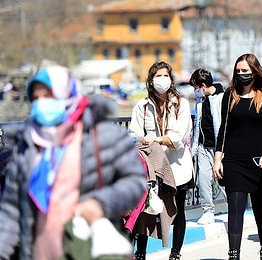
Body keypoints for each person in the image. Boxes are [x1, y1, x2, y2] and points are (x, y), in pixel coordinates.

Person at [0, 65, 146, 259]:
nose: (42, 103)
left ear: (68, 94)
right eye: (36, 97)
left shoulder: (101, 136)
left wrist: (99, 204)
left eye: (49, 95)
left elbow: (135, 182)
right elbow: (11, 207)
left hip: (86, 244)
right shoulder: (27, 142)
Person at [212, 53, 262, 260]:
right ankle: (233, 254)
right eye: (238, 71)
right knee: (235, 208)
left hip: (261, 161)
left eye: (245, 71)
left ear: (255, 71)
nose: (241, 74)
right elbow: (224, 130)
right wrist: (217, 159)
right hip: (234, 161)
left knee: (260, 208)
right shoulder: (230, 95)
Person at [128, 61, 194, 259]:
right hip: (151, 168)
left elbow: (179, 137)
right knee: (145, 209)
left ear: (171, 79)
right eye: (158, 76)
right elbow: (134, 133)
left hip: (177, 166)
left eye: (166, 76)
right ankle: (140, 252)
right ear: (150, 80)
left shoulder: (180, 104)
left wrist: (156, 140)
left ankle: (175, 253)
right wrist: (145, 143)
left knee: (178, 209)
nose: (162, 80)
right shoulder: (142, 106)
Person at [189, 68, 225, 225]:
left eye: (197, 87)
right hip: (203, 146)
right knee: (203, 180)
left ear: (203, 85)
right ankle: (208, 211)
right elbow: (198, 123)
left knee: (224, 180)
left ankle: (236, 207)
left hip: (220, 148)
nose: (196, 91)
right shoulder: (200, 100)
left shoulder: (222, 98)